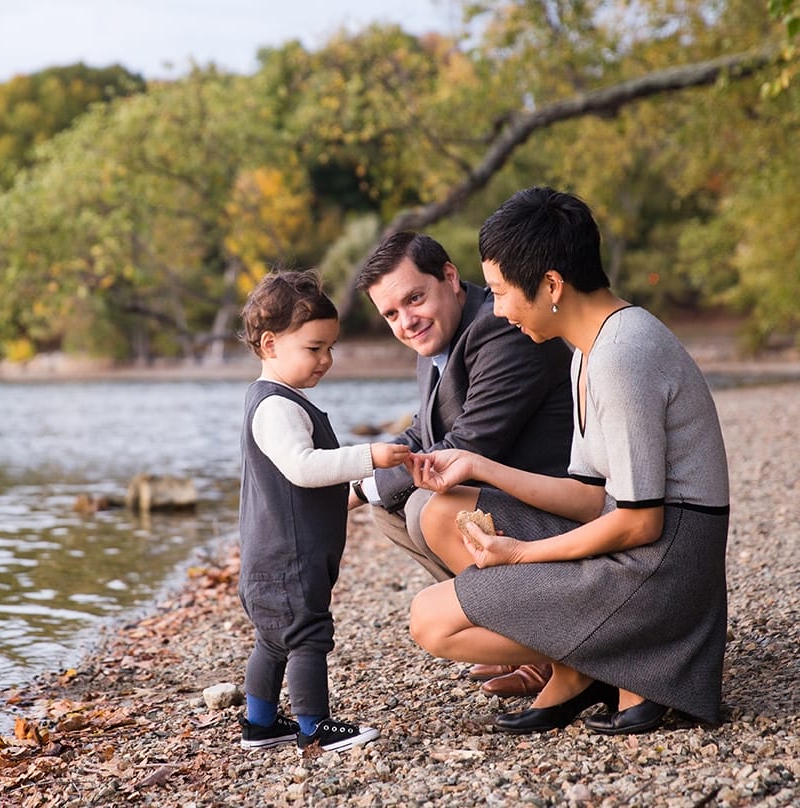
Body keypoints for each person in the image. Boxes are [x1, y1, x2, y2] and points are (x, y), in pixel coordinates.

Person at [406, 186, 730, 735]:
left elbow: (640, 521)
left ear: (551, 285)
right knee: (442, 511)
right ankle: (588, 666)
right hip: (639, 542)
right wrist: (478, 465)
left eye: (503, 292)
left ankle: (634, 659)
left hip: (665, 569)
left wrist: (521, 555)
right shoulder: (587, 349)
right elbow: (586, 494)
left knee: (431, 621)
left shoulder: (623, 356)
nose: (500, 310)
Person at [350, 231, 574, 697]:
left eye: (415, 299)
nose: (406, 322)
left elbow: (472, 441)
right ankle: (521, 642)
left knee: (426, 507)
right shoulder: (439, 335)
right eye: (391, 314)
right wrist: (353, 485)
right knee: (388, 509)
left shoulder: (499, 326)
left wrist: (364, 489)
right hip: (510, 496)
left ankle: (559, 650)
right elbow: (424, 433)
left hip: (566, 508)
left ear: (449, 277)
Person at [235, 269, 408, 752]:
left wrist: (363, 484)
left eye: (330, 348)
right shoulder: (276, 408)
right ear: (270, 344)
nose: (326, 360)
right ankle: (314, 727)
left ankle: (261, 723)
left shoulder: (275, 401)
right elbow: (303, 469)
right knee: (307, 636)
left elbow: (308, 484)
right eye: (314, 348)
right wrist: (369, 455)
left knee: (273, 641)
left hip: (272, 559)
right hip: (288, 561)